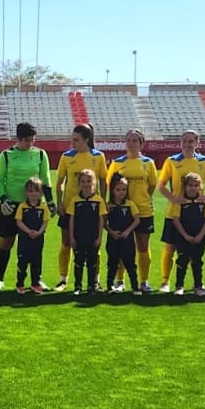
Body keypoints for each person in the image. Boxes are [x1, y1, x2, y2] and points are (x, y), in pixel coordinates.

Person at [0, 122, 53, 291]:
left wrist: (50, 202)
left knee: (33, 245)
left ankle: (36, 280)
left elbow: (46, 180)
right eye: (26, 140)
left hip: (33, 207)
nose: (30, 143)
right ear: (18, 139)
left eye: (32, 140)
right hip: (10, 206)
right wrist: (3, 199)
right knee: (6, 243)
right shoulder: (6, 155)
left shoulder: (40, 154)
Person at [157, 130, 205, 291]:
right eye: (184, 141)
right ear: (180, 143)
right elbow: (161, 185)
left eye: (191, 141)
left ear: (197, 143)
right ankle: (165, 282)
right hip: (175, 212)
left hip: (196, 213)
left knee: (196, 251)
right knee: (170, 247)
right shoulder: (172, 161)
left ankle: (198, 283)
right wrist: (173, 198)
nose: (187, 144)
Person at [54, 124, 107, 290]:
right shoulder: (67, 157)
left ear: (86, 139)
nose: (72, 143)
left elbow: (104, 181)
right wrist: (60, 202)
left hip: (91, 209)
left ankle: (95, 280)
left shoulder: (98, 157)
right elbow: (60, 182)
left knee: (94, 245)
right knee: (67, 243)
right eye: (72, 139)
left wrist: (103, 202)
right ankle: (63, 279)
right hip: (70, 207)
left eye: (76, 140)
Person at [106, 129, 158, 293]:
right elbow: (110, 185)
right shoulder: (117, 163)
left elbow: (152, 185)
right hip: (122, 211)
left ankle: (144, 281)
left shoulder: (148, 163)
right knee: (121, 247)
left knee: (142, 246)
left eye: (135, 140)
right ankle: (120, 281)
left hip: (143, 210)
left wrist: (143, 198)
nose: (131, 143)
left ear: (141, 144)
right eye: (128, 140)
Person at [66, 168, 107, 295]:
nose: (86, 184)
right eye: (83, 181)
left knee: (92, 262)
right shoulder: (75, 200)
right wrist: (72, 237)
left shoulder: (99, 200)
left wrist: (99, 237)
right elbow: (71, 220)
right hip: (78, 237)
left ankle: (91, 286)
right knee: (78, 262)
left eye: (88, 181)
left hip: (93, 237)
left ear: (94, 182)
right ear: (79, 183)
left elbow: (101, 220)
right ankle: (77, 286)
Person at [171, 171, 205, 296]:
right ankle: (179, 286)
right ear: (185, 186)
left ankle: (198, 286)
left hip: (199, 236)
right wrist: (185, 236)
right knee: (182, 260)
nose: (193, 188)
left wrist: (200, 235)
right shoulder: (180, 202)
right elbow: (176, 219)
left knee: (197, 261)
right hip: (183, 237)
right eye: (190, 185)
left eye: (196, 185)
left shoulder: (203, 201)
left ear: (200, 186)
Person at [103, 175, 141, 294]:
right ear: (113, 190)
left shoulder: (130, 204)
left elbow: (137, 220)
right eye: (118, 190)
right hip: (113, 239)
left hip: (127, 239)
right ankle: (110, 286)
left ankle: (135, 287)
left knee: (130, 263)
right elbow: (103, 222)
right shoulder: (109, 206)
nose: (121, 192)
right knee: (112, 262)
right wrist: (111, 231)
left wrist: (127, 231)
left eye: (124, 189)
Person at [13, 178, 50, 294]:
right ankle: (20, 284)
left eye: (36, 191)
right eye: (30, 191)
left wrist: (39, 232)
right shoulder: (22, 206)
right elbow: (18, 221)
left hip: (38, 239)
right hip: (25, 239)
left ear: (41, 193)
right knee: (22, 262)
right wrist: (28, 231)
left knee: (36, 262)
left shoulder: (43, 206)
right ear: (26, 192)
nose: (33, 194)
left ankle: (35, 284)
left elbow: (45, 221)